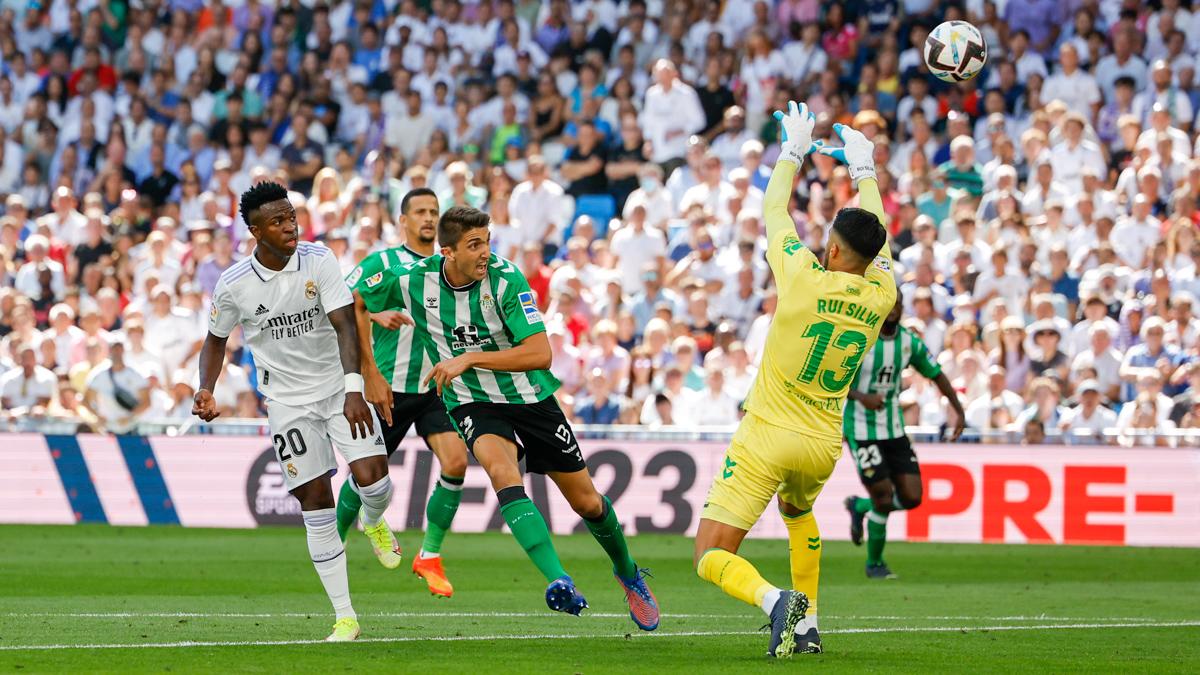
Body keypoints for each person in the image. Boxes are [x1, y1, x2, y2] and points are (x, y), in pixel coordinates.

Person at [354, 205, 659, 631]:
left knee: (587, 502)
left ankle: (628, 573)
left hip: (529, 397)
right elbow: (352, 298)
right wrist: (369, 367)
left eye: (487, 241)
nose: (484, 253)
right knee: (501, 473)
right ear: (447, 252)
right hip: (471, 402)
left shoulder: (506, 279)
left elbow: (540, 353)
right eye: (474, 245)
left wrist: (469, 358)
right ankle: (559, 579)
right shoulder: (410, 278)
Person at [693, 104, 896, 657]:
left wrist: (792, 150)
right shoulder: (882, 295)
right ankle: (808, 629)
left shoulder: (803, 277)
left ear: (830, 249)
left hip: (767, 434)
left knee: (709, 554)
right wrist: (865, 172)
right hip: (823, 443)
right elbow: (877, 241)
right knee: (797, 513)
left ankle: (775, 601)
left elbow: (773, 208)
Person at [192, 182, 393, 643]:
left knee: (375, 481)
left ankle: (373, 518)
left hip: (337, 389)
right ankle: (345, 617)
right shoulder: (234, 284)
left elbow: (345, 324)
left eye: (292, 217)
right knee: (315, 501)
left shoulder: (319, 260)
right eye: (278, 221)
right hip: (285, 402)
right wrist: (206, 387)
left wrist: (353, 388)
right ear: (255, 230)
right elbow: (216, 339)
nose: (290, 226)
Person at [339, 187, 470, 598]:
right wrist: (369, 369)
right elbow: (345, 304)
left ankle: (428, 556)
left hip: (434, 387)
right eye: (420, 212)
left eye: (434, 211)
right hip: (387, 388)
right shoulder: (384, 262)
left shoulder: (449, 265)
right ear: (404, 221)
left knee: (456, 463)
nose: (428, 218)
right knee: (366, 476)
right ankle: (333, 543)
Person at [843, 293, 965, 579]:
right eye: (889, 303)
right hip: (861, 430)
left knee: (912, 497)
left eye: (899, 303)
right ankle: (874, 564)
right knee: (884, 497)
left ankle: (860, 506)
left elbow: (936, 374)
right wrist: (861, 396)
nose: (894, 308)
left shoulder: (908, 342)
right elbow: (832, 378)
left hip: (894, 428)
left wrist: (958, 410)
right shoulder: (860, 338)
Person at [84, 335, 150, 435]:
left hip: (131, 428)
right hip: (107, 429)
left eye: (119, 349)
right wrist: (97, 416)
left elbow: (146, 402)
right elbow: (86, 400)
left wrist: (130, 417)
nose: (116, 352)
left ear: (123, 350)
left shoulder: (136, 374)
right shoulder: (99, 374)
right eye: (114, 349)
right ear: (109, 350)